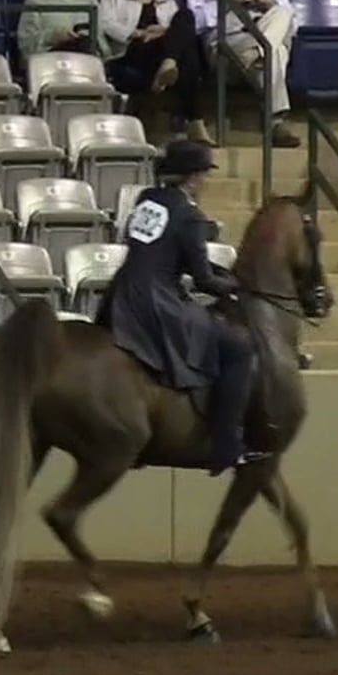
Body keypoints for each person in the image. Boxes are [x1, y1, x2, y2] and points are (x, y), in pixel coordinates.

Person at [97, 139, 268, 476]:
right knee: (239, 347)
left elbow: (164, 252)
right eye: (204, 175)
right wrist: (235, 285)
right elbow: (203, 280)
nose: (205, 182)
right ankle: (226, 445)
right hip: (157, 301)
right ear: (192, 178)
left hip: (121, 294)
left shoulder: (147, 200)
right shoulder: (190, 215)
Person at [187, 0, 301, 148]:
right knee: (275, 52)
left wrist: (268, 4)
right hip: (224, 46)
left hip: (257, 40)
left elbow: (292, 25)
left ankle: (259, 52)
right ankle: (275, 121)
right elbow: (194, 22)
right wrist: (229, 2)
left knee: (282, 14)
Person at [99, 0, 214, 146]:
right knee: (186, 55)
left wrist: (163, 31)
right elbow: (105, 22)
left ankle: (168, 65)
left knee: (186, 16)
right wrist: (139, 32)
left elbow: (179, 29)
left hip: (161, 51)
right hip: (132, 51)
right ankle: (195, 122)